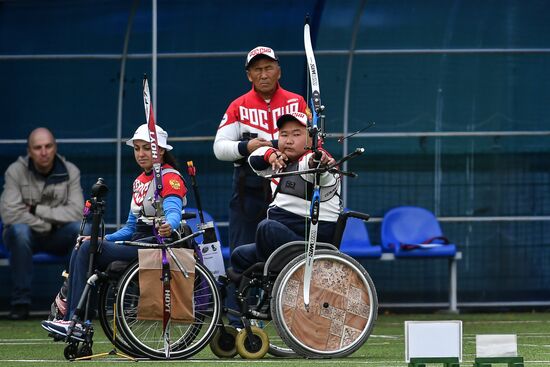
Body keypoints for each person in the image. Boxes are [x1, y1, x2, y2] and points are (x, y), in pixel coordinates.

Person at [41, 123, 187, 339]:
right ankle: (68, 315)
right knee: (83, 244)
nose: (140, 153)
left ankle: (76, 321)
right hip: (138, 243)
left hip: (157, 246)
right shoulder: (140, 181)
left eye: (147, 148)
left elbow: (173, 211)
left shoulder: (169, 177)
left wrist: (169, 225)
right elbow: (130, 228)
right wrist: (102, 238)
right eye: (137, 148)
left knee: (85, 251)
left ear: (161, 150)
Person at [214, 46, 309, 327]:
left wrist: (282, 149)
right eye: (257, 69)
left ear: (279, 70)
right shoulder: (238, 105)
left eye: (268, 68)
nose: (263, 74)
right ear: (249, 75)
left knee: (285, 252)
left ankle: (290, 318)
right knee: (242, 253)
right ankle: (236, 322)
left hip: (291, 187)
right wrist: (247, 146)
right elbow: (219, 148)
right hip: (248, 187)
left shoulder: (296, 101)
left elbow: (313, 139)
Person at [230, 112, 340, 274]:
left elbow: (316, 168)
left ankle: (278, 276)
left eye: (296, 134)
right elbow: (253, 159)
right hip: (284, 240)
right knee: (239, 255)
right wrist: (270, 154)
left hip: (308, 244)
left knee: (266, 228)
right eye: (284, 135)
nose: (289, 140)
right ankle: (260, 295)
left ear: (312, 139)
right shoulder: (280, 161)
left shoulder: (308, 160)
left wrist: (319, 161)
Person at [0, 127, 84, 320]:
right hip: (27, 236)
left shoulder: (70, 171)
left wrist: (35, 210)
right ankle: (20, 303)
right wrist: (47, 224)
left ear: (55, 147)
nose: (44, 152)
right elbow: (9, 213)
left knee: (82, 230)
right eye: (38, 147)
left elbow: (77, 212)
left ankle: (74, 303)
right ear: (29, 151)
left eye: (48, 146)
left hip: (59, 236)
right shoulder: (15, 171)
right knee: (19, 232)